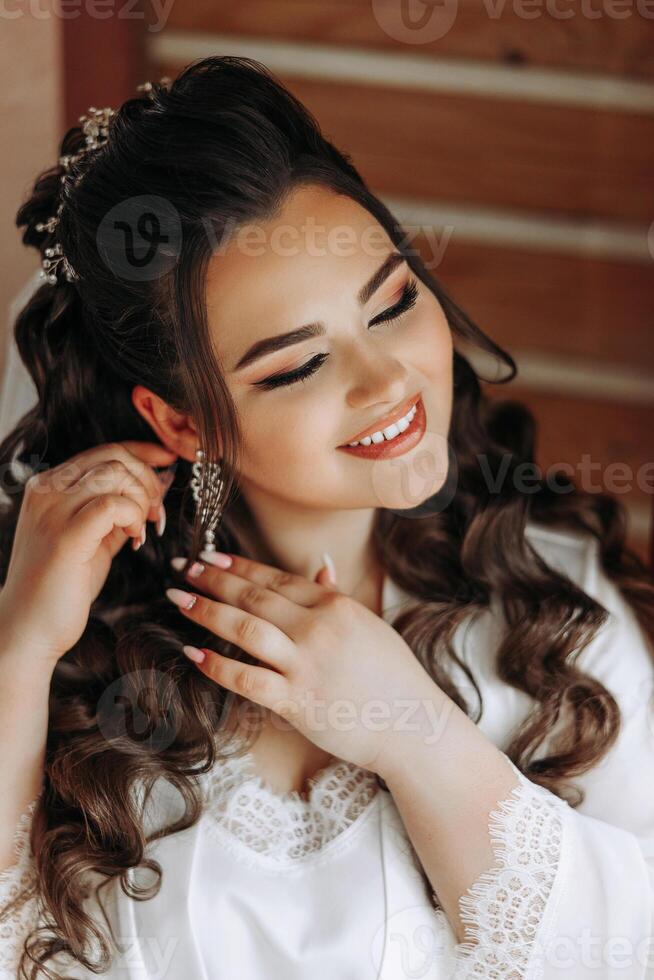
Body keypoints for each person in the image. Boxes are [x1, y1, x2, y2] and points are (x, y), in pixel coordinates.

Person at [0, 54, 653, 980]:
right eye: (298, 366)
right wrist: (19, 656)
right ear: (181, 421)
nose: (390, 380)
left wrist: (410, 731)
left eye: (392, 302)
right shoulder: (80, 665)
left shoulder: (558, 611)